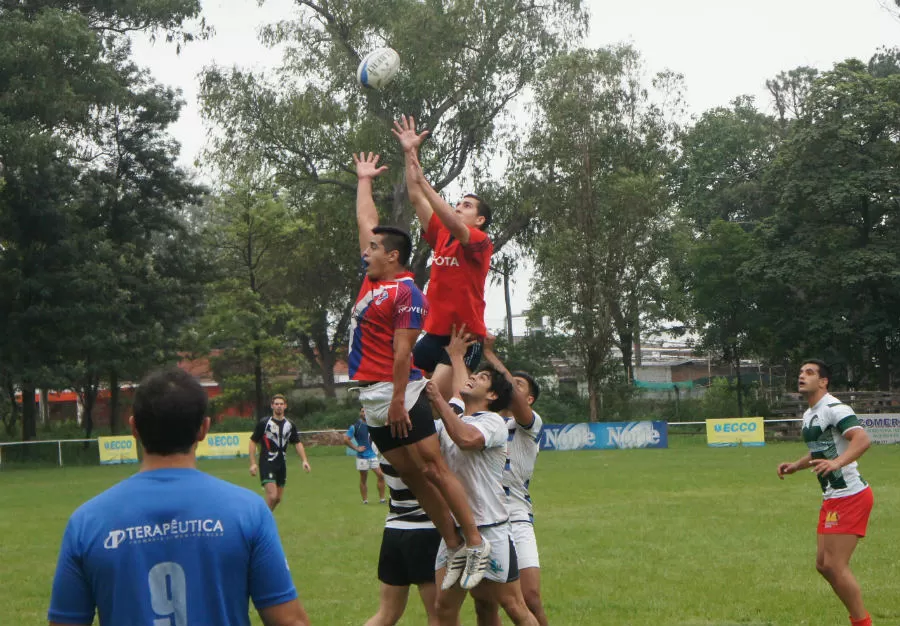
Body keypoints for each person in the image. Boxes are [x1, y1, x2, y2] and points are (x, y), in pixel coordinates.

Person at [48, 368, 310, 626]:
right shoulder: (249, 511)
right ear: (204, 429)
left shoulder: (86, 522)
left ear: (134, 428)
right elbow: (290, 622)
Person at [351, 152, 491, 604]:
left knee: (439, 449)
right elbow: (385, 216)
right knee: (412, 473)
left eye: (469, 204)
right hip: (383, 384)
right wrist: (375, 176)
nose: (367, 251)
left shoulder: (467, 247)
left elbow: (402, 350)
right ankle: (453, 545)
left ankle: (475, 539)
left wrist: (399, 394)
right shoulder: (374, 279)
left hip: (454, 342)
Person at [425, 330, 538, 626]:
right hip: (455, 533)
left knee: (514, 606)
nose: (472, 378)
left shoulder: (493, 422)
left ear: (491, 396)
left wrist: (439, 399)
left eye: (483, 378)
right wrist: (456, 356)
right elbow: (458, 396)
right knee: (444, 608)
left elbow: (465, 439)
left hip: (491, 531)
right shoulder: (454, 419)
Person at [392, 115, 494, 397]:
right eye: (459, 202)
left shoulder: (479, 241)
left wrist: (424, 181)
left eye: (467, 205)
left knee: (440, 396)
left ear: (480, 220)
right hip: (435, 334)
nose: (459, 206)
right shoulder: (441, 235)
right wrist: (410, 151)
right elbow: (416, 197)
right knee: (395, 376)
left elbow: (450, 219)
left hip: (464, 338)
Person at [777, 359, 874, 626]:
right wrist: (797, 465)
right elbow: (822, 448)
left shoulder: (834, 407)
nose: (802, 376)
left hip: (850, 495)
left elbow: (862, 439)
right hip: (833, 496)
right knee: (823, 565)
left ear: (823, 382)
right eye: (800, 372)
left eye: (809, 373)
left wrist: (837, 463)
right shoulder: (810, 413)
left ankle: (862, 623)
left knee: (834, 565)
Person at [471, 335, 548, 626]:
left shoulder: (528, 425)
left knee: (530, 597)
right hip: (484, 518)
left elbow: (513, 398)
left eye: (520, 385)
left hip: (516, 517)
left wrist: (490, 356)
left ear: (529, 399)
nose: (512, 387)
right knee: (484, 603)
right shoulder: (482, 423)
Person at [364, 455, 442, 626]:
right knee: (438, 615)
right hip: (426, 529)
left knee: (386, 614)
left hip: (394, 530)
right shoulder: (422, 438)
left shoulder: (380, 434)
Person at [249, 394, 312, 512]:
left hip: (281, 464)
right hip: (267, 462)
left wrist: (304, 460)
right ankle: (261, 521)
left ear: (285, 406)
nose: (279, 406)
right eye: (276, 404)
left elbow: (297, 443)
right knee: (272, 495)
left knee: (277, 498)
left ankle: (264, 518)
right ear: (272, 406)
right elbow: (253, 441)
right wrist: (253, 463)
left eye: (281, 404)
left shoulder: (290, 425)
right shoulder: (264, 423)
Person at [344, 407, 386, 504]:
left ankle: (382, 499)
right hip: (362, 456)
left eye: (366, 411)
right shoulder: (356, 426)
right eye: (363, 411)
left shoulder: (373, 424)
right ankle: (365, 500)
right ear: (360, 413)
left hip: (373, 455)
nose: (364, 413)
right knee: (363, 478)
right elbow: (346, 439)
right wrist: (356, 448)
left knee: (381, 475)